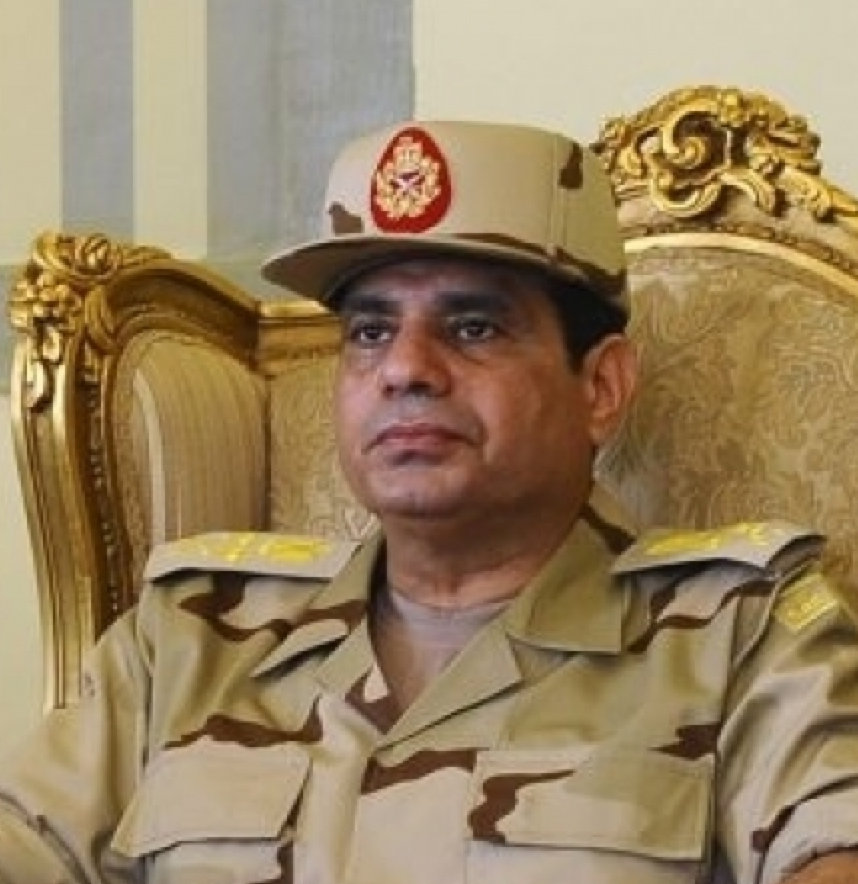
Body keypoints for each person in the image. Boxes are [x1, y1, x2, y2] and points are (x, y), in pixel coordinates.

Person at [2, 121, 858, 884]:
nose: (405, 368)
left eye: (473, 328)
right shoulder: (190, 636)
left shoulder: (741, 633)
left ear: (600, 387)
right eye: (370, 332)